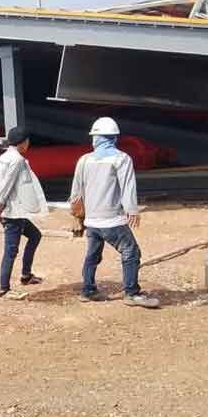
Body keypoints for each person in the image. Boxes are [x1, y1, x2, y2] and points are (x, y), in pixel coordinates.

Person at [70, 117, 159, 308]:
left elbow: (75, 193)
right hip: (112, 220)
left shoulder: (84, 160)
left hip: (92, 222)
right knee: (131, 251)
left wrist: (77, 218)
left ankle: (88, 290)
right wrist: (132, 210)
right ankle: (132, 293)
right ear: (114, 138)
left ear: (97, 138)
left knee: (92, 254)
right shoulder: (121, 159)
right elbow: (128, 187)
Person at [0, 127, 48, 300]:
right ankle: (4, 289)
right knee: (11, 250)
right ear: (23, 142)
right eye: (27, 141)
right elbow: (7, 184)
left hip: (15, 211)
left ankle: (26, 275)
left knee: (35, 235)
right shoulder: (16, 160)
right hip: (12, 212)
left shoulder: (3, 158)